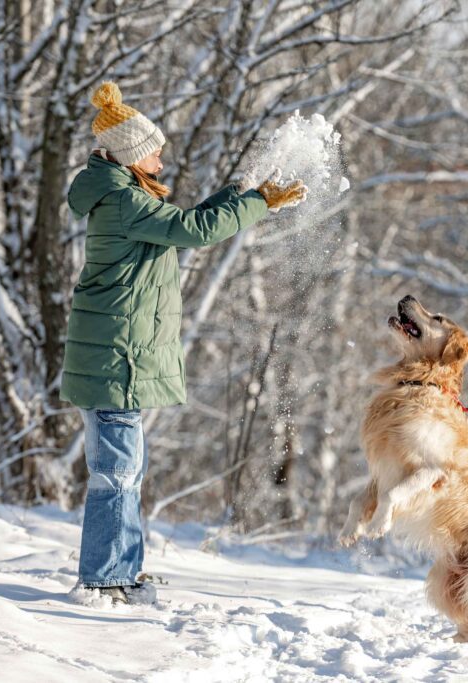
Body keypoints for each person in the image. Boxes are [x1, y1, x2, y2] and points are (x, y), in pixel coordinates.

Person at [61, 81, 306, 604]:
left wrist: (246, 194)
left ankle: (120, 572)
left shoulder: (122, 195)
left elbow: (188, 220)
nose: (161, 156)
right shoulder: (126, 202)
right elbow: (195, 230)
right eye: (153, 149)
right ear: (128, 155)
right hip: (115, 359)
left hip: (116, 355)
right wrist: (257, 202)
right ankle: (106, 579)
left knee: (126, 472)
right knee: (117, 474)